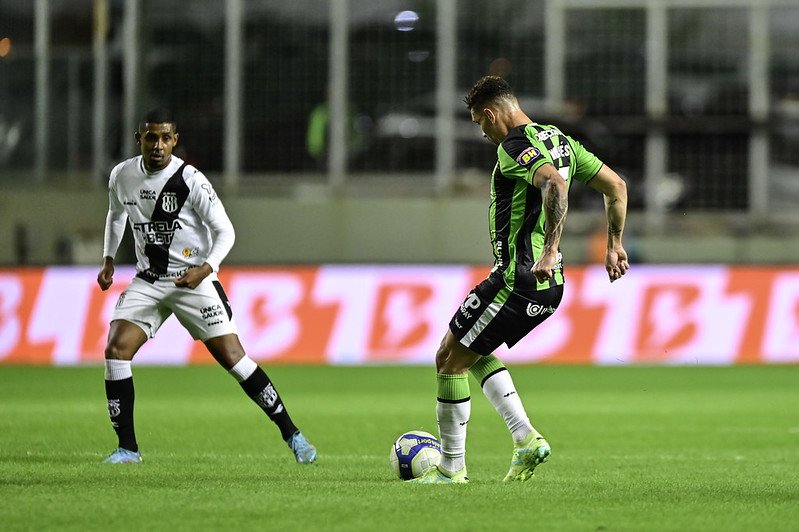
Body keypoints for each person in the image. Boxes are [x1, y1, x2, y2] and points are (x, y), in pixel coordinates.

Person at [411, 76, 629, 484]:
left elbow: (554, 183)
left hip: (519, 280)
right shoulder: (561, 141)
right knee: (468, 350)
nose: (483, 132)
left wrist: (550, 248)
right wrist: (614, 243)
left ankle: (451, 469)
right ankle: (525, 438)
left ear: (491, 114)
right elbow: (615, 186)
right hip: (547, 285)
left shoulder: (513, 146)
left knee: (448, 361)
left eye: (480, 123)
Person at [97, 107, 316, 465]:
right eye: (151, 137)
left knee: (234, 359)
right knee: (116, 350)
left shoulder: (190, 180)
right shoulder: (122, 175)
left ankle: (292, 434)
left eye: (165, 138)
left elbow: (225, 231)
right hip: (149, 279)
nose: (157, 145)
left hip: (193, 280)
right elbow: (116, 214)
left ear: (175, 140)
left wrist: (205, 269)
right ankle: (128, 449)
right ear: (139, 139)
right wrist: (108, 259)